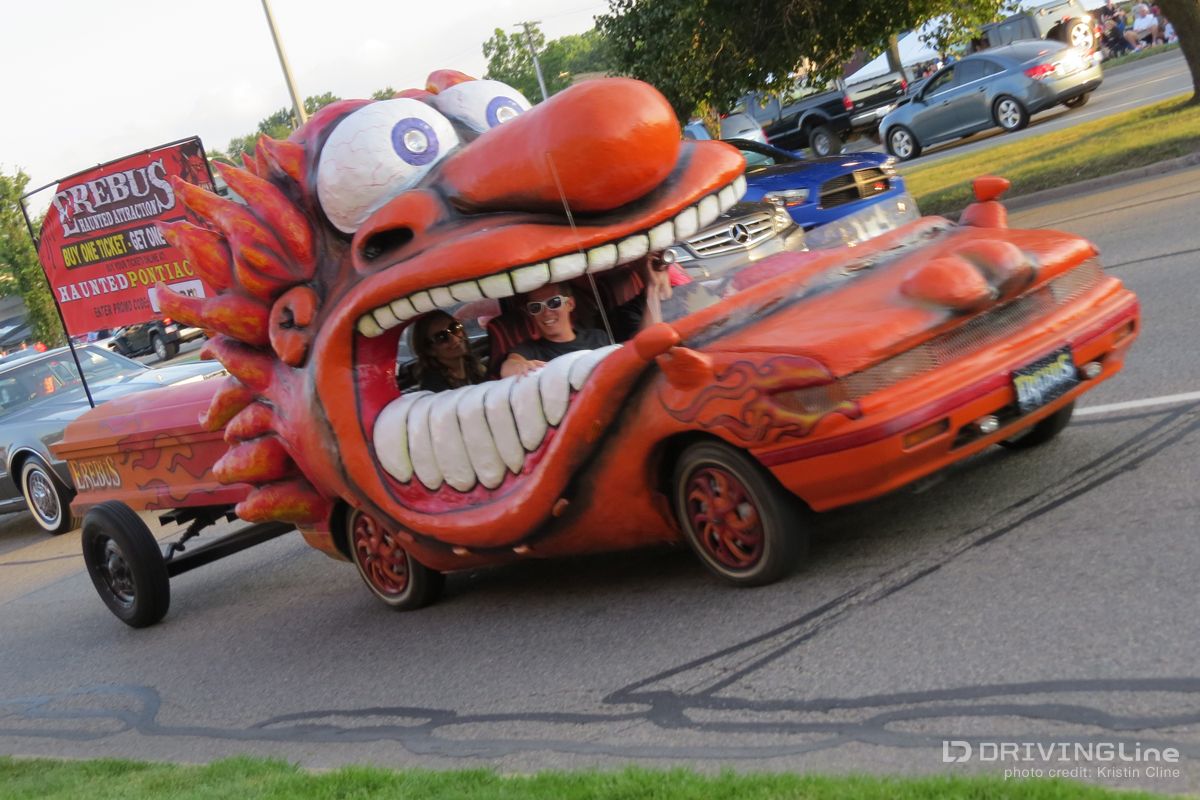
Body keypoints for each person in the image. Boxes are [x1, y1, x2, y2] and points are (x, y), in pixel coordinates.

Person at [409, 310, 486, 392]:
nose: (454, 339)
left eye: (454, 328)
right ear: (429, 350)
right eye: (441, 337)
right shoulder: (434, 388)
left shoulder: (472, 366)